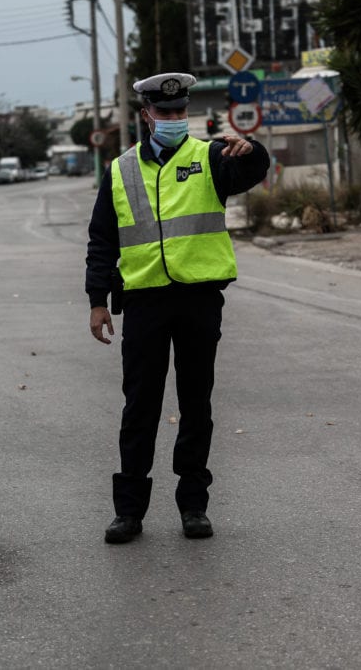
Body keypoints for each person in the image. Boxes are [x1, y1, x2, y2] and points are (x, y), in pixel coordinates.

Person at [86, 72, 269, 544]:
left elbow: (251, 172)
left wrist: (253, 149)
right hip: (145, 302)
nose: (172, 120)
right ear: (146, 115)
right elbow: (102, 240)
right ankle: (128, 512)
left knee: (196, 405)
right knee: (139, 408)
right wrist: (96, 302)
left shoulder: (210, 156)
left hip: (198, 299)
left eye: (178, 112)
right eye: (164, 113)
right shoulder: (120, 170)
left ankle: (193, 506)